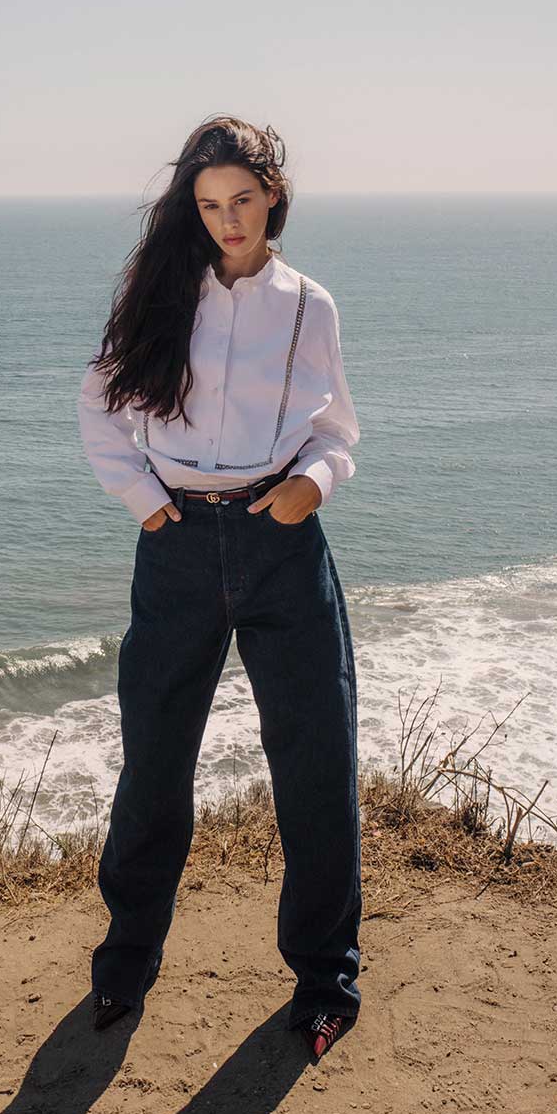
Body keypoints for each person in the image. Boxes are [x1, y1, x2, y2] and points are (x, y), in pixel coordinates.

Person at [78, 114, 365, 1063]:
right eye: (209, 205)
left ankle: (326, 980)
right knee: (155, 763)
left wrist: (307, 488)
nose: (227, 219)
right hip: (177, 549)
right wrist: (146, 505)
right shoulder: (161, 295)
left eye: (242, 200)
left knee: (315, 763)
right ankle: (125, 964)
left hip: (282, 544)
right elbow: (100, 407)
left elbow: (336, 431)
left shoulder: (309, 306)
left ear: (273, 197)